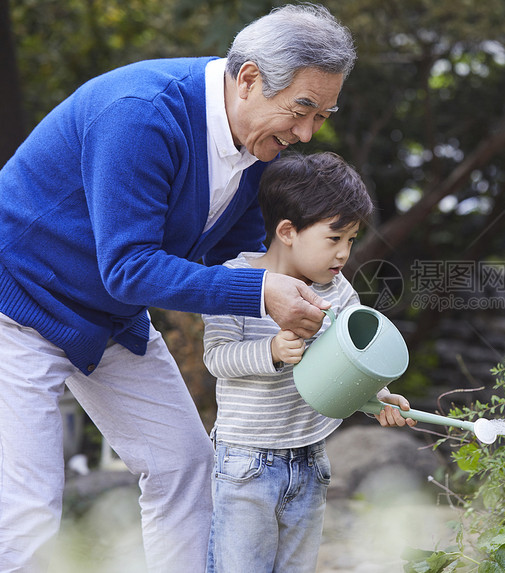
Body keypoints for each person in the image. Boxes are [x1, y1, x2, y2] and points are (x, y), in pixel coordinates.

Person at [0, 5, 408, 572]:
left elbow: (234, 261)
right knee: (27, 508)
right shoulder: (141, 116)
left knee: (185, 462)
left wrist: (336, 349)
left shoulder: (261, 151)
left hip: (111, 318)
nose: (308, 132)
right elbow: (131, 268)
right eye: (302, 109)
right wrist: (263, 293)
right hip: (19, 307)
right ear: (248, 80)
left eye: (324, 113)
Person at [202, 151, 416, 572]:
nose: (343, 254)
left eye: (351, 240)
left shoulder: (338, 292)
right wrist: (271, 352)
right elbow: (215, 358)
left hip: (310, 458)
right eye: (334, 239)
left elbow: (352, 364)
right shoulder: (234, 280)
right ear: (288, 231)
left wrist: (380, 398)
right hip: (246, 464)